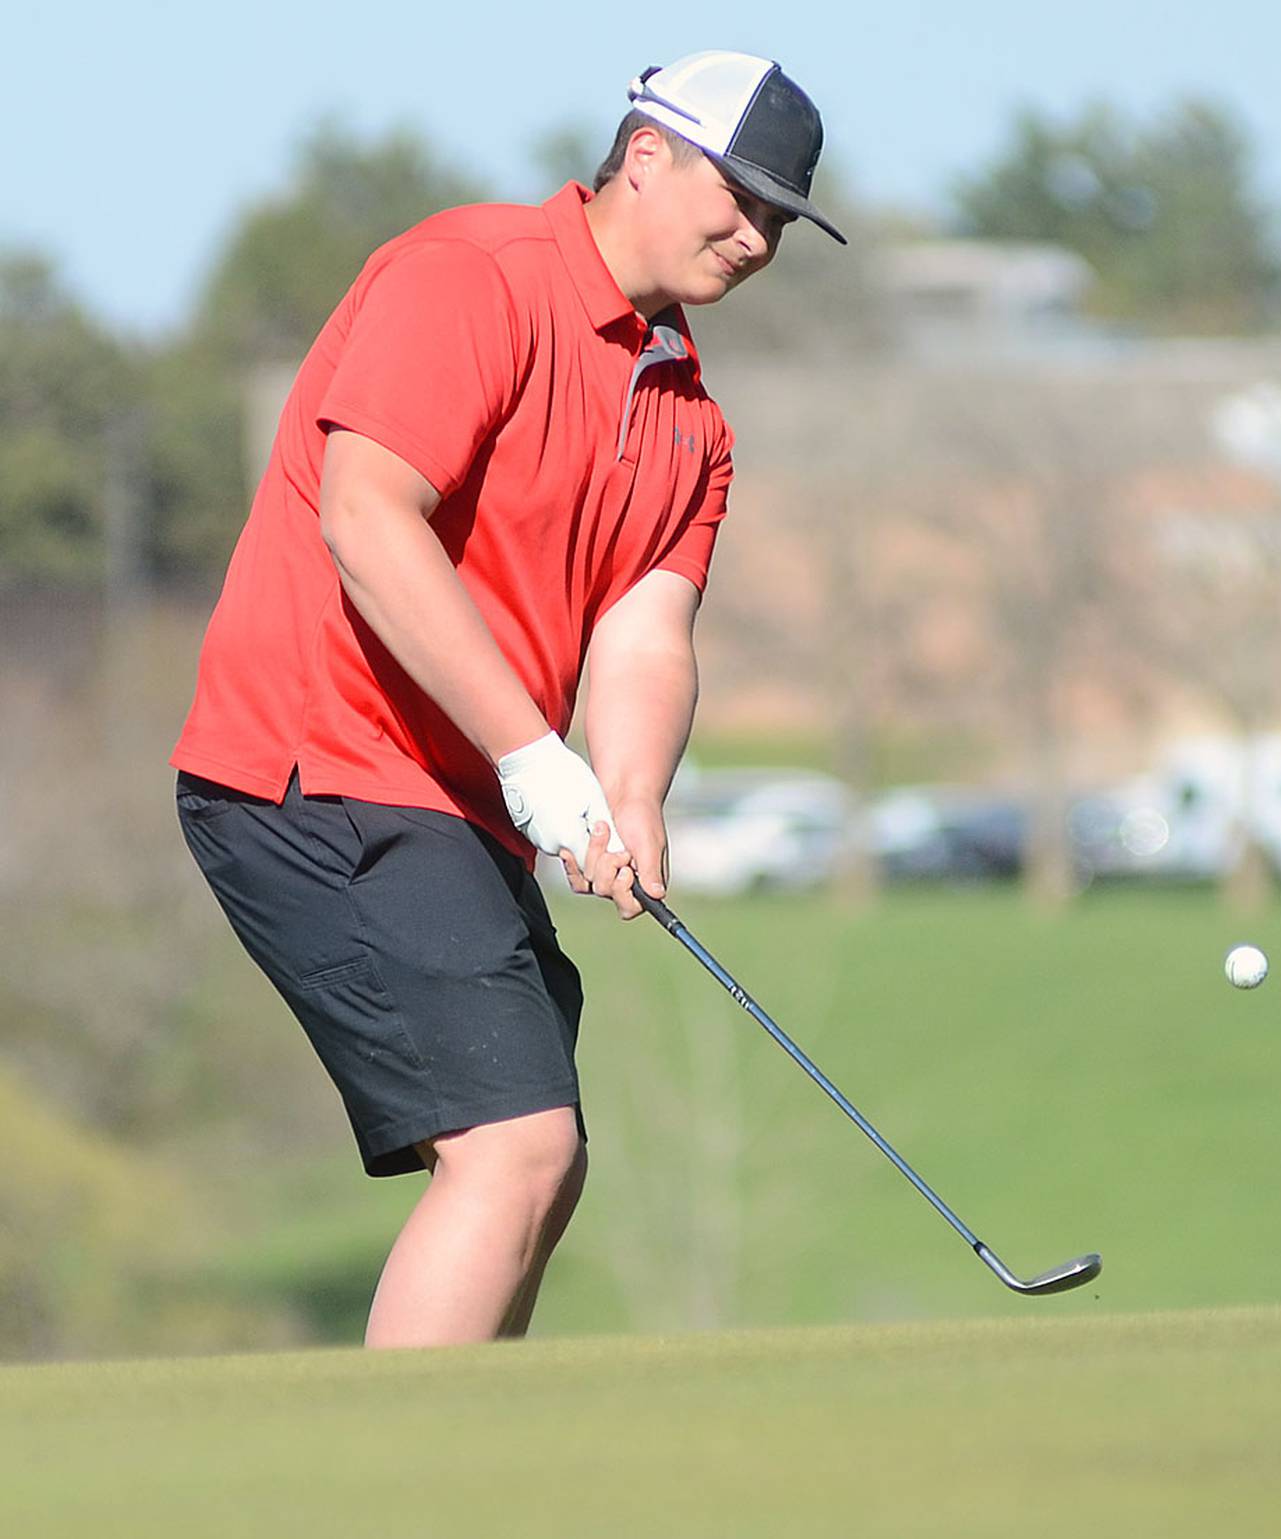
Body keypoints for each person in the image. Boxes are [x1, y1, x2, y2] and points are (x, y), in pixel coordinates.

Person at [171, 49, 844, 1348]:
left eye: (781, 217)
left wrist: (632, 796)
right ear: (644, 152)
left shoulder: (690, 415)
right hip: (316, 766)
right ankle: (405, 1488)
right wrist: (534, 754)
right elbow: (368, 518)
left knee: (550, 1166)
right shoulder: (471, 277)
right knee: (513, 1148)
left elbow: (648, 628)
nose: (756, 236)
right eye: (739, 196)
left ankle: (477, 1470)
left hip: (449, 803)